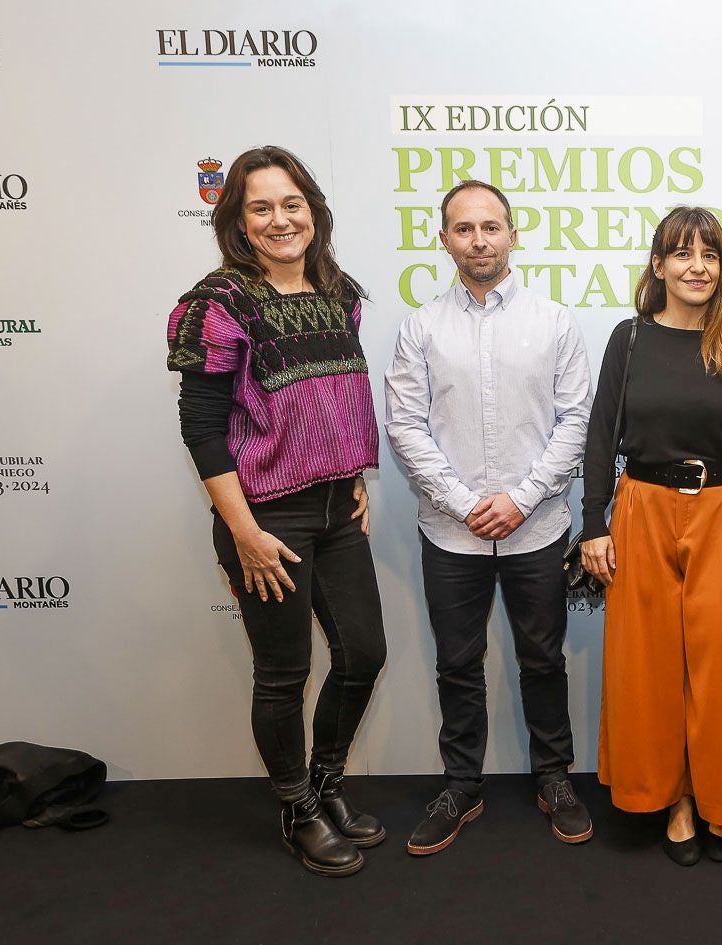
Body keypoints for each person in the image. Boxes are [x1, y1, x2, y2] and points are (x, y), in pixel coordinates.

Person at [166, 146, 386, 877]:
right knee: (284, 673)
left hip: (336, 505)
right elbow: (201, 428)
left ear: (313, 211)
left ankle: (326, 783)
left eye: (291, 203)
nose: (279, 219)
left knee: (362, 654)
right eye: (260, 207)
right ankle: (297, 807)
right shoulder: (218, 304)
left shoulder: (339, 290)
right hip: (266, 518)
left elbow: (330, 397)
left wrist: (352, 471)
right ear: (236, 220)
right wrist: (245, 532)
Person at [386, 180, 594, 855]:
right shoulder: (419, 327)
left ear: (512, 233)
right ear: (442, 238)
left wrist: (521, 496)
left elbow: (574, 422)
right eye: (464, 228)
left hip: (537, 528)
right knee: (456, 662)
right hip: (450, 532)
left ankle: (554, 776)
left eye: (491, 226)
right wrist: (462, 500)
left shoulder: (555, 322)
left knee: (542, 658)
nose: (479, 239)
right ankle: (461, 785)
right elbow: (404, 426)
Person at [581, 206, 722, 866]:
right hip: (640, 507)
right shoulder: (628, 339)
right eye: (683, 253)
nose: (698, 265)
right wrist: (591, 524)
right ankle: (671, 799)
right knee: (647, 668)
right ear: (658, 265)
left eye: (710, 254)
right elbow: (599, 436)